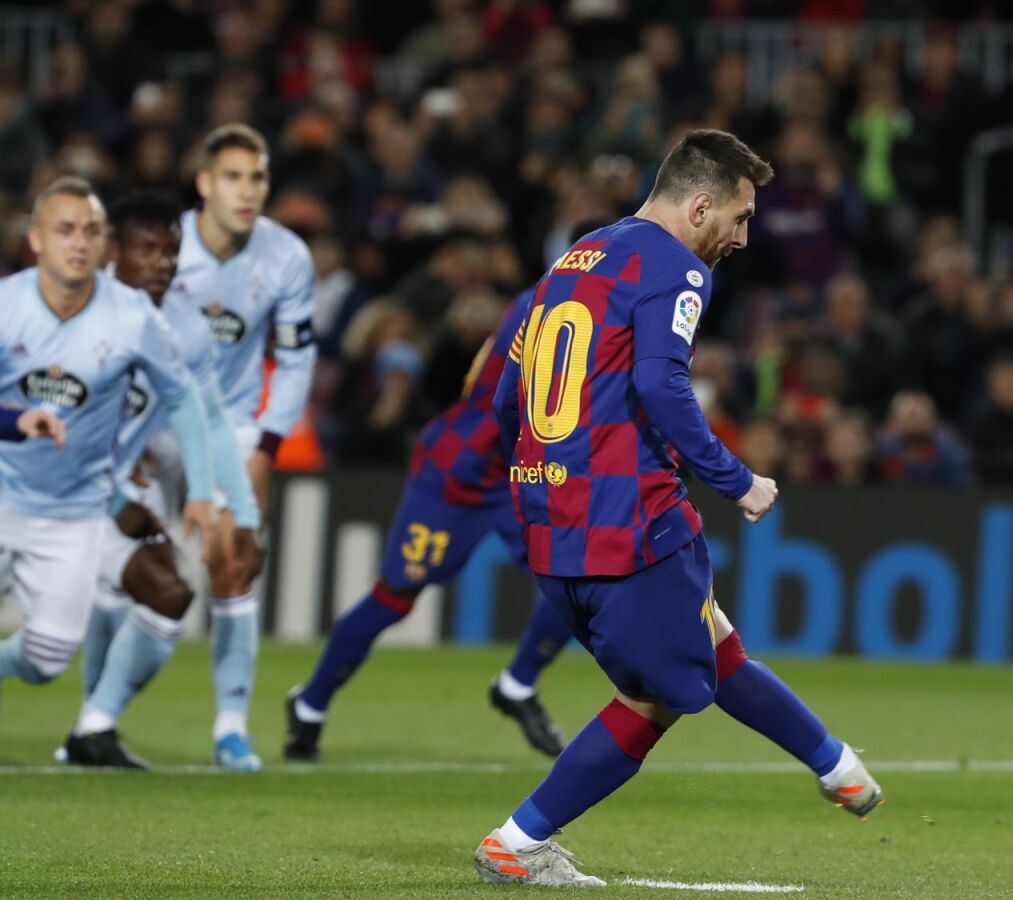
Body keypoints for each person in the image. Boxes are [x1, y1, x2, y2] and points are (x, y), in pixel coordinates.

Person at [475, 130, 883, 887]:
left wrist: (538, 479)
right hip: (632, 521)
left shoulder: (576, 258)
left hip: (555, 525)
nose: (743, 236)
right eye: (740, 216)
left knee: (713, 647)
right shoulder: (676, 266)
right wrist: (736, 480)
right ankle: (517, 841)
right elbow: (661, 384)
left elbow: (507, 395)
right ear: (700, 207)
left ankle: (838, 768)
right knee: (655, 699)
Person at [284, 291, 578, 763]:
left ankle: (518, 684)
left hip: (520, 471)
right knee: (396, 594)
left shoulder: (580, 300)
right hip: (459, 469)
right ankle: (310, 704)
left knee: (578, 576)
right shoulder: (549, 301)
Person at [61, 191, 262, 769]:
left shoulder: (183, 326)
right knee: (37, 652)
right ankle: (90, 727)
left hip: (107, 491)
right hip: (37, 492)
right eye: (147, 250)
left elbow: (209, 417)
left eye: (170, 252)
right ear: (112, 251)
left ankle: (93, 726)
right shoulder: (67, 310)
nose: (162, 264)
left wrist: (242, 510)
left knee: (164, 590)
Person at [0, 177, 217, 708]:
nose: (78, 243)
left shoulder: (134, 317)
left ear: (103, 243)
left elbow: (183, 398)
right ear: (36, 239)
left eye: (90, 231)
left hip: (74, 512)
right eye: (65, 230)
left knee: (47, 659)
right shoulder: (6, 306)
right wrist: (14, 421)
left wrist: (200, 489)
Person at [164, 123, 317, 770]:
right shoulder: (161, 247)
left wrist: (265, 448)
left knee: (233, 560)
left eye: (257, 178)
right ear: (204, 183)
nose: (247, 190)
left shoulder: (286, 256)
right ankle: (97, 720)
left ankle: (231, 726)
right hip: (153, 423)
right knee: (130, 576)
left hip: (231, 422)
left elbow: (297, 358)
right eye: (233, 177)